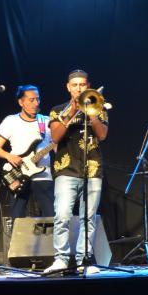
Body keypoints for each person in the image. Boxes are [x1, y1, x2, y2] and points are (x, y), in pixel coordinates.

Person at [44, 70, 109, 274]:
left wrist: (91, 113)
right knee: (62, 215)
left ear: (88, 86)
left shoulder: (97, 107)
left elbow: (102, 135)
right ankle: (61, 259)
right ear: (68, 87)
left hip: (92, 169)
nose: (78, 88)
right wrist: (72, 111)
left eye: (82, 85)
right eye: (75, 85)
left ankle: (84, 260)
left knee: (88, 219)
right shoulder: (57, 110)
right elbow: (55, 136)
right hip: (66, 170)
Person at [0, 85, 55, 220]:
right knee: (18, 219)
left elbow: (56, 147)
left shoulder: (47, 121)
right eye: (31, 100)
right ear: (21, 102)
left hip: (43, 175)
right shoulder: (11, 121)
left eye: (38, 99)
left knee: (52, 217)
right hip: (18, 175)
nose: (36, 103)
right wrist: (9, 156)